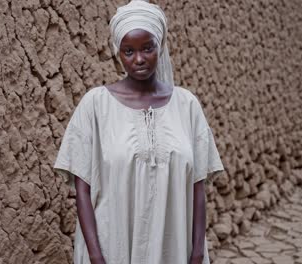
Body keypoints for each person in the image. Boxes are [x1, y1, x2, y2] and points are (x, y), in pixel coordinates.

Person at [53, 1, 224, 263]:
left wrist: (198, 249)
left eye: (147, 48)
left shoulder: (186, 105)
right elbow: (83, 190)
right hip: (114, 248)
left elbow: (197, 185)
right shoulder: (96, 106)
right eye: (128, 51)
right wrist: (96, 256)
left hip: (174, 249)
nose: (139, 59)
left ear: (161, 46)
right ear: (117, 52)